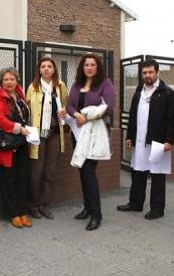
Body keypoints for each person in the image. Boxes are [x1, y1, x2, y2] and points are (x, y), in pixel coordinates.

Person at [117, 59, 174, 220]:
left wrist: (170, 141)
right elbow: (132, 116)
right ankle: (135, 203)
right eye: (144, 73)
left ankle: (157, 209)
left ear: (157, 73)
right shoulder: (139, 93)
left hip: (158, 142)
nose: (148, 75)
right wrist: (129, 136)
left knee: (157, 176)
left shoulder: (167, 93)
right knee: (138, 172)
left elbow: (172, 119)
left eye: (151, 72)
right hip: (139, 141)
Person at [67, 53, 115, 231]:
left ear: (98, 67)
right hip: (77, 132)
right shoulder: (77, 84)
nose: (89, 67)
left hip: (95, 133)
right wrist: (77, 115)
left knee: (88, 171)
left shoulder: (105, 83)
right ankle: (87, 208)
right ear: (82, 67)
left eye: (92, 65)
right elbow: (69, 105)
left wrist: (86, 118)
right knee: (82, 170)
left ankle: (96, 214)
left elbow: (108, 108)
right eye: (86, 65)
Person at [26, 57, 68, 219]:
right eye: (43, 66)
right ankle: (33, 205)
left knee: (50, 172)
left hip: (55, 134)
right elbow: (27, 109)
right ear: (39, 70)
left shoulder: (60, 86)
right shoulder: (33, 87)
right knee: (36, 172)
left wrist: (63, 111)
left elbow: (64, 104)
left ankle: (44, 205)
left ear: (54, 69)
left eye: (49, 66)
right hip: (38, 135)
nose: (46, 69)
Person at [0, 67, 32, 228]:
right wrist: (18, 128)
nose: (9, 82)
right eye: (6, 79)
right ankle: (13, 213)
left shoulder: (20, 95)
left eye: (12, 79)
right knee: (9, 180)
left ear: (17, 81)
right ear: (1, 82)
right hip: (7, 145)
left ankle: (23, 211)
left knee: (22, 178)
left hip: (21, 144)